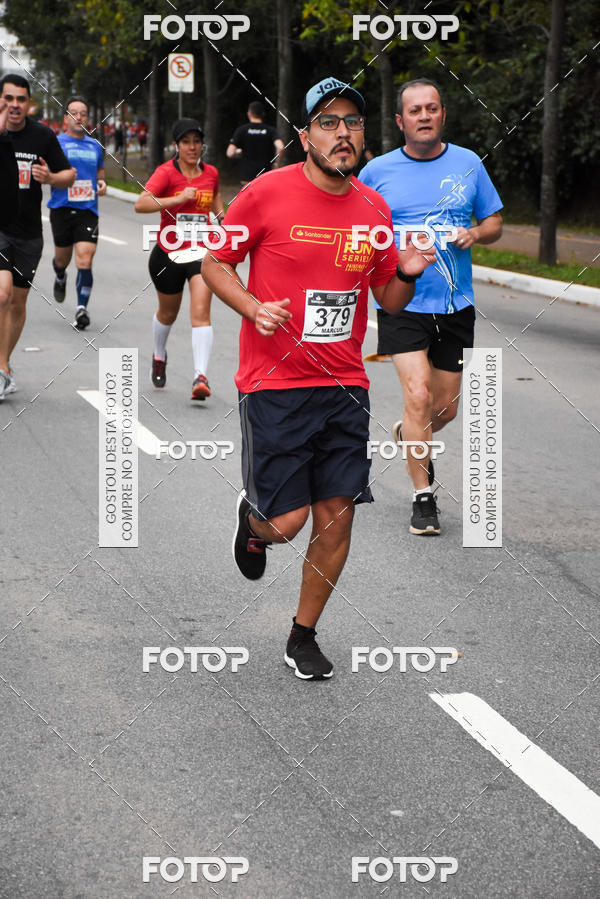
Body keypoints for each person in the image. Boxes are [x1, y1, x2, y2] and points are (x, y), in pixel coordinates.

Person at [202, 77, 436, 681]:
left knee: (338, 513)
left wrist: (407, 272)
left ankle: (303, 634)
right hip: (274, 382)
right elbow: (216, 261)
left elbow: (387, 296)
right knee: (287, 522)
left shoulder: (373, 208)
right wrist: (253, 307)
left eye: (352, 122)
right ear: (305, 136)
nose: (342, 133)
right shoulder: (264, 193)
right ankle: (252, 525)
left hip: (344, 385)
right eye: (328, 123)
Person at [359, 78, 503, 537]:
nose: (424, 116)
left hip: (455, 303)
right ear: (401, 121)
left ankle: (410, 433)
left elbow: (494, 220)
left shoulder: (468, 164)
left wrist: (475, 235)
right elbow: (354, 224)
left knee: (443, 410)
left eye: (432, 108)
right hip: (402, 302)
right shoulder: (377, 172)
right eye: (415, 110)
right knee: (417, 395)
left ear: (442, 115)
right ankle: (424, 498)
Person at [135, 118, 224, 400]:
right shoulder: (165, 173)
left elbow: (217, 203)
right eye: (186, 142)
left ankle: (200, 376)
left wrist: (226, 222)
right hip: (168, 255)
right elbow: (141, 204)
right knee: (168, 313)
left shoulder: (211, 173)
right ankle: (159, 355)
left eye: (196, 141)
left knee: (201, 312)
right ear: (176, 146)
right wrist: (176, 199)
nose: (192, 147)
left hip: (200, 253)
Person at [0, 73, 75, 400]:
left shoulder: (42, 136)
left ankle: (4, 365)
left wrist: (50, 177)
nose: (14, 105)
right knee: (2, 295)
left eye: (20, 99)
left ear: (29, 104)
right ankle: (1, 368)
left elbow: (69, 175)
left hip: (29, 231)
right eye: (8, 98)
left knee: (17, 302)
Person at [48, 95, 106, 330]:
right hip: (61, 208)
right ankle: (60, 275)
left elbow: (100, 172)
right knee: (63, 259)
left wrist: (102, 183)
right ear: (66, 118)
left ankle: (81, 308)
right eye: (74, 113)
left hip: (87, 210)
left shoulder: (94, 146)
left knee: (85, 259)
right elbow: (46, 170)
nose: (79, 117)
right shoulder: (56, 143)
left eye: (83, 113)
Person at [226, 101, 284, 184]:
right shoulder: (270, 130)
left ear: (249, 113)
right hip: (265, 177)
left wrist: (239, 153)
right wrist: (277, 165)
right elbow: (280, 147)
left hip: (247, 177)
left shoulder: (242, 130)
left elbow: (230, 153)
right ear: (263, 114)